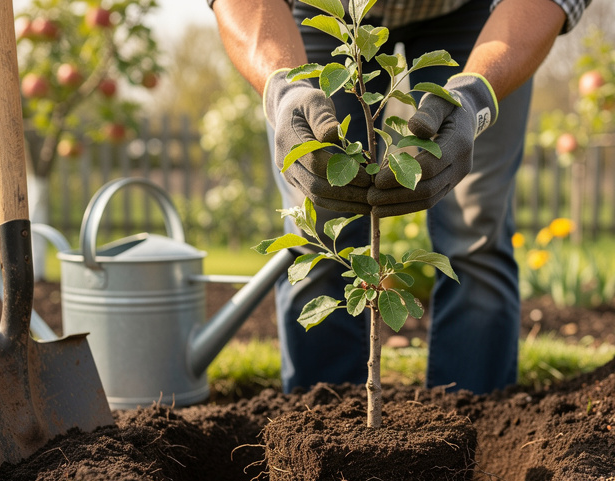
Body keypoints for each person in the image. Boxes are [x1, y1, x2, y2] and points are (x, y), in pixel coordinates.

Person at [209, 0, 590, 394]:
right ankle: (317, 429)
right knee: (319, 225)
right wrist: (283, 88)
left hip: (480, 12)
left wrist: (475, 97)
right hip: (326, 9)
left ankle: (476, 424)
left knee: (476, 223)